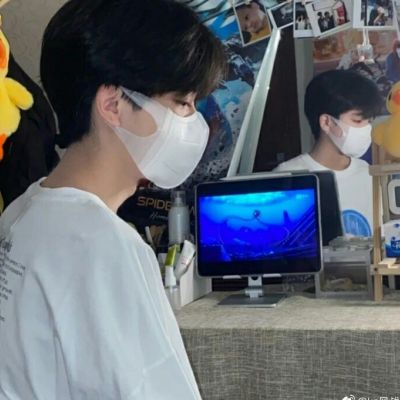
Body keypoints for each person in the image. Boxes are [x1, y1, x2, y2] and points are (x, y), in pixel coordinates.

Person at [0, 0, 226, 398]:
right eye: (182, 103)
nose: (194, 123)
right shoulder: (103, 246)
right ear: (113, 105)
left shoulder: (21, 212)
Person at [274, 70, 382, 237]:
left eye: (369, 121)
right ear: (326, 122)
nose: (366, 129)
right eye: (358, 121)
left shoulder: (367, 173)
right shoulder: (288, 177)